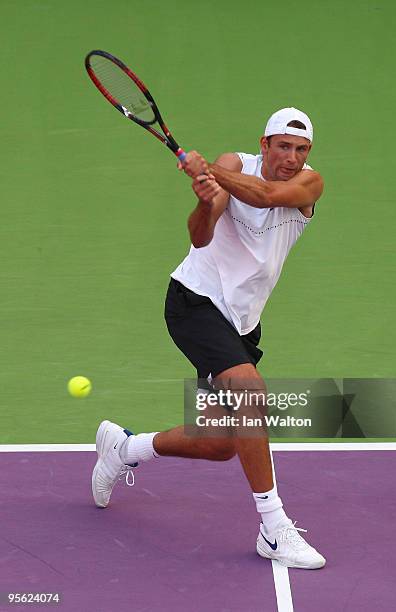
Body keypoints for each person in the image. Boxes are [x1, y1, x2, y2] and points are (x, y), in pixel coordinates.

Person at [92, 107, 326, 569]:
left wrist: (207, 171)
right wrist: (205, 200)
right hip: (194, 301)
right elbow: (200, 238)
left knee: (220, 442)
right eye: (283, 146)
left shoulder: (309, 184)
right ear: (264, 144)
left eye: (300, 150)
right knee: (249, 389)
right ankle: (273, 529)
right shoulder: (236, 164)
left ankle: (125, 448)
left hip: (241, 319)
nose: (292, 157)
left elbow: (265, 196)